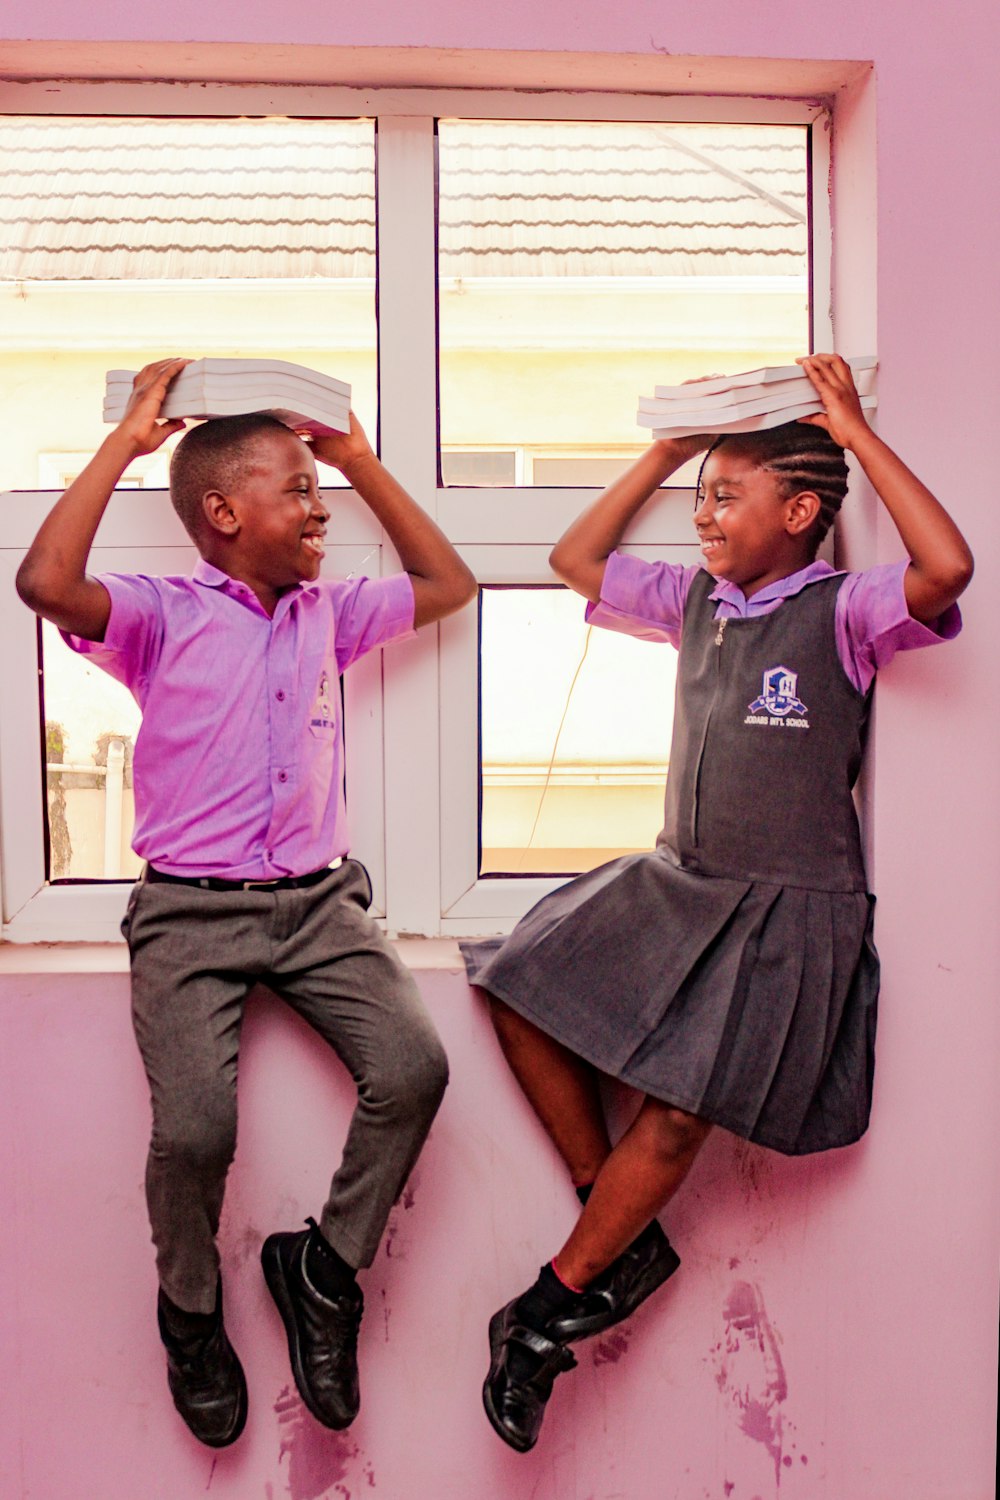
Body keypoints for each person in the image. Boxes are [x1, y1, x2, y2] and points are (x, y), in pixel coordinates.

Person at [462, 353, 973, 1453]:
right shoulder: (693, 598)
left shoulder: (843, 611)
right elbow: (575, 559)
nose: (700, 516)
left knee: (682, 1111)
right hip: (676, 879)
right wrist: (666, 450)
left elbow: (946, 566)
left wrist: (852, 429)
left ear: (799, 512)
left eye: (723, 497)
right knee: (511, 980)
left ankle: (544, 1315)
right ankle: (618, 1228)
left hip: (787, 906)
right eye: (697, 498)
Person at [15, 358, 476, 1448]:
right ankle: (187, 1308)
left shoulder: (330, 616)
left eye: (323, 490)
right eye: (300, 489)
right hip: (189, 913)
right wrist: (127, 446)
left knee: (413, 1069)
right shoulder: (160, 615)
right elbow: (43, 583)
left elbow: (449, 582)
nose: (321, 508)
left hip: (320, 906)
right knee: (196, 1130)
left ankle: (323, 1269)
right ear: (222, 513)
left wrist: (359, 458)